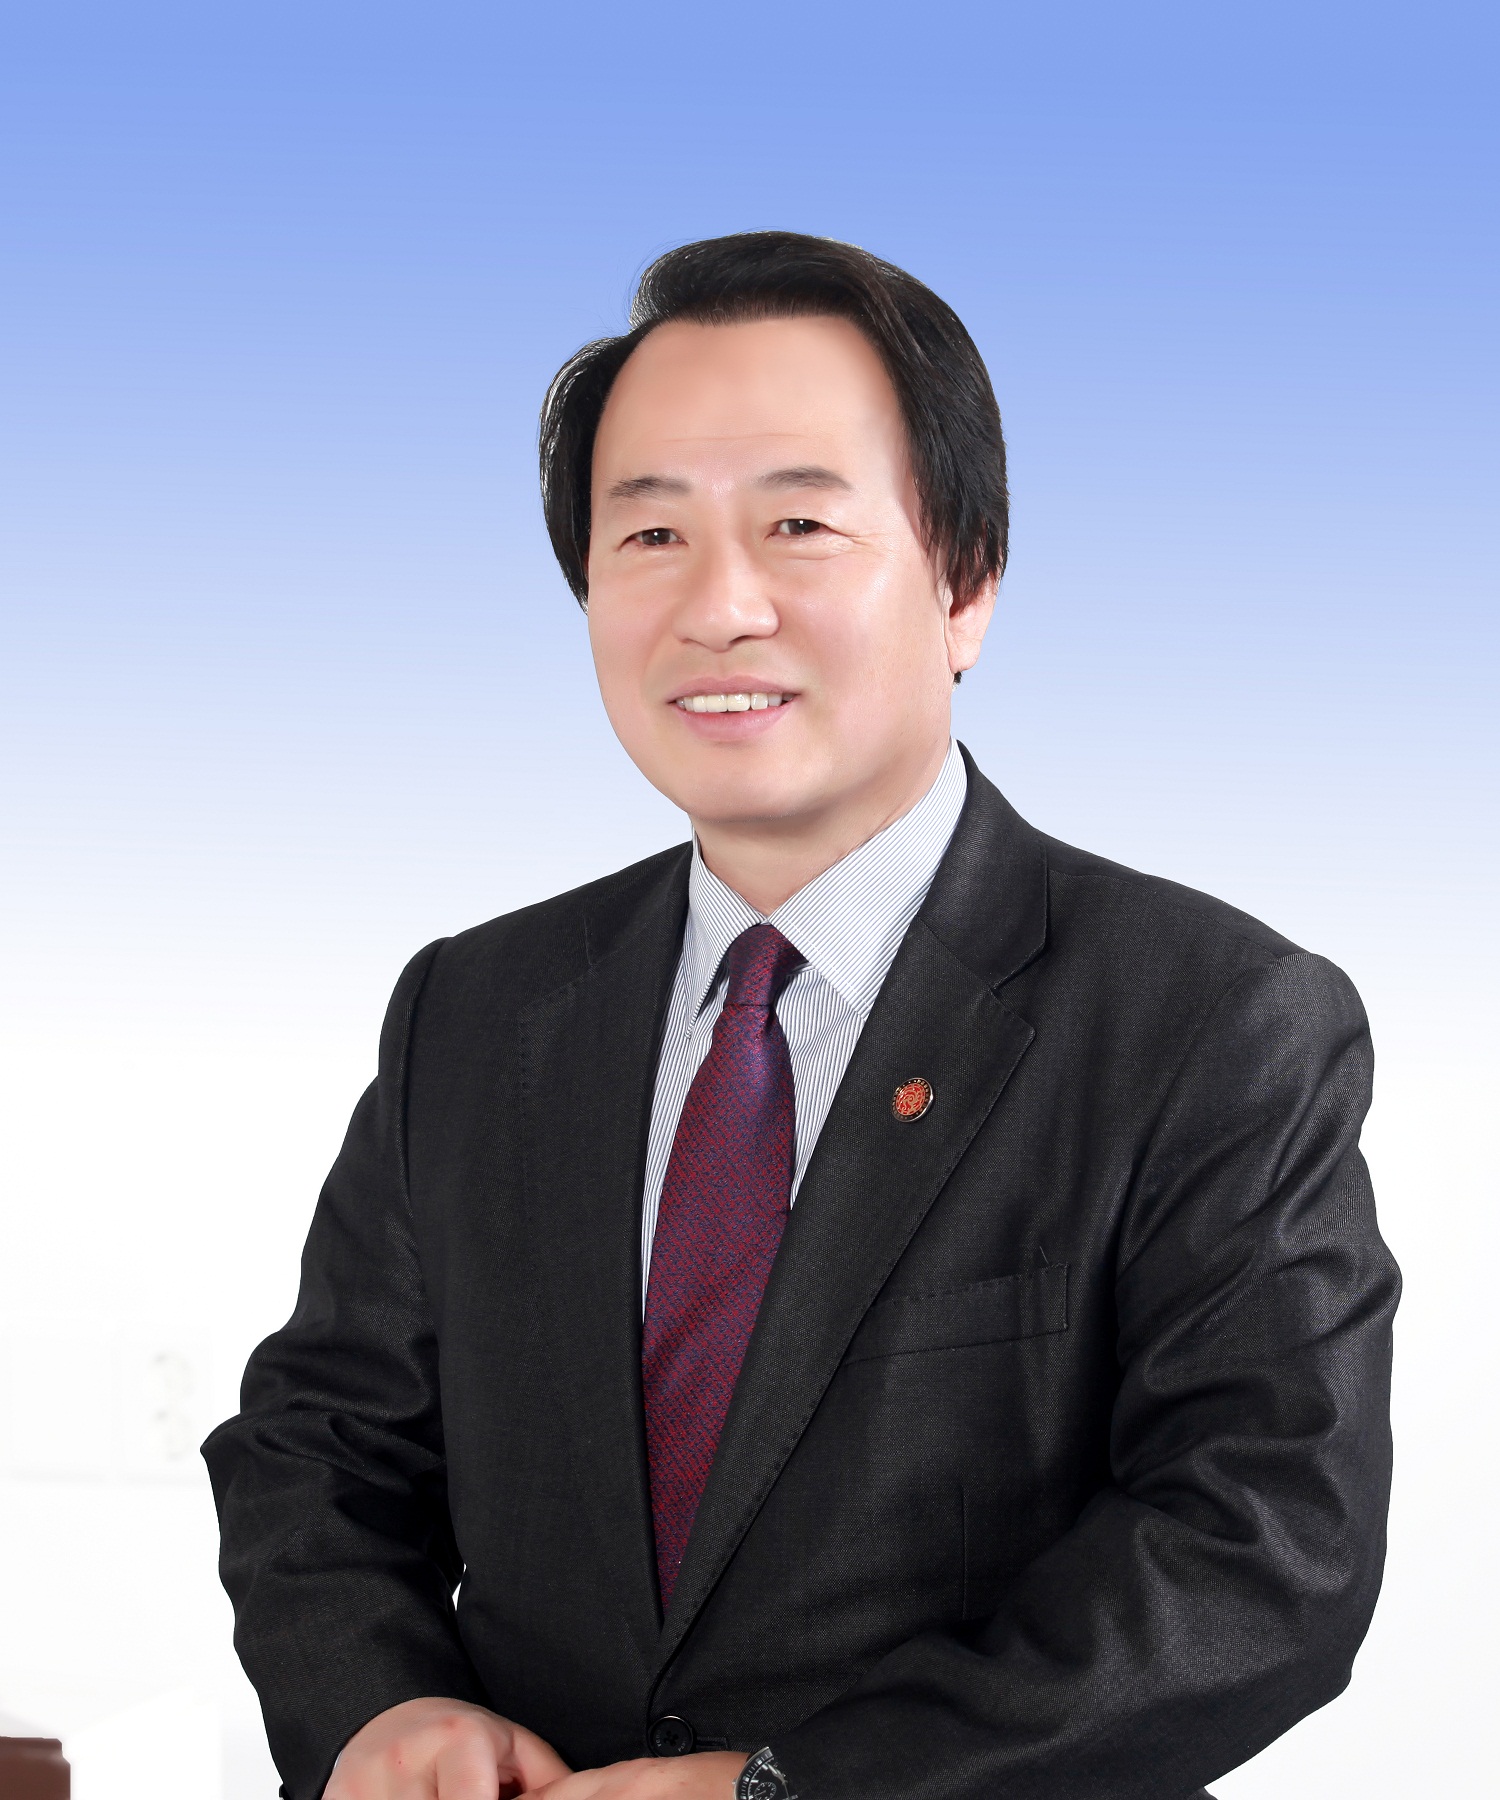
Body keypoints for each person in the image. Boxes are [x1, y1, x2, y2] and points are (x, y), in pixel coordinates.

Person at [204, 231, 1399, 1800]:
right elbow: (320, 1445)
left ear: (965, 585)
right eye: (651, 534)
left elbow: (1263, 1551)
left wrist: (790, 1788)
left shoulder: (1211, 1020)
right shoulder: (481, 1010)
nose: (721, 606)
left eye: (799, 524)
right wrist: (381, 1707)